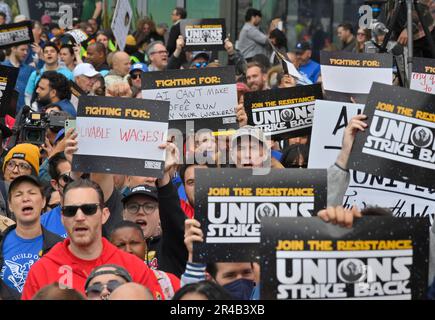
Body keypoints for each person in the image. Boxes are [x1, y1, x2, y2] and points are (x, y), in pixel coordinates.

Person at [21, 179, 164, 300]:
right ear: (62, 219)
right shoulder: (41, 272)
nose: (79, 217)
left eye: (88, 209)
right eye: (70, 211)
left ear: (105, 215)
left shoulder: (135, 267)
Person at [0, 175, 63, 294]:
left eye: (32, 193)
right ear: (10, 205)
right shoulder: (1, 242)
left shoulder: (59, 246)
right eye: (18, 195)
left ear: (43, 201)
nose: (25, 199)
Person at [109, 221, 181, 299]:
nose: (128, 250)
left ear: (145, 246)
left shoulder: (168, 282)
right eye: (120, 245)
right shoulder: (101, 287)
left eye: (134, 243)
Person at [1, 44, 35, 112]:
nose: (25, 53)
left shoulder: (30, 69)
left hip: (23, 112)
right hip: (4, 112)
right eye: (22, 50)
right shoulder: (2, 66)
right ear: (13, 48)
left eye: (27, 50)